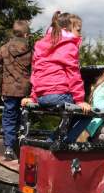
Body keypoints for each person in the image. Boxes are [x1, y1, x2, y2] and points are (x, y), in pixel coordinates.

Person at [21, 11, 91, 142]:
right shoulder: (69, 46)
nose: (80, 34)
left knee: (72, 115)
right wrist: (80, 100)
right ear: (66, 30)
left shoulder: (40, 44)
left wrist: (34, 97)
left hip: (42, 96)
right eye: (78, 30)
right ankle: (65, 145)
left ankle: (52, 141)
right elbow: (73, 74)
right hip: (59, 95)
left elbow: (36, 72)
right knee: (87, 114)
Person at [0, 20, 32, 160]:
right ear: (26, 34)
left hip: (9, 90)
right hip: (25, 91)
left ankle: (9, 148)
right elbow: (35, 71)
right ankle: (23, 146)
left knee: (9, 117)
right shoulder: (30, 50)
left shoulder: (4, 49)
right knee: (25, 117)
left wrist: (0, 90)